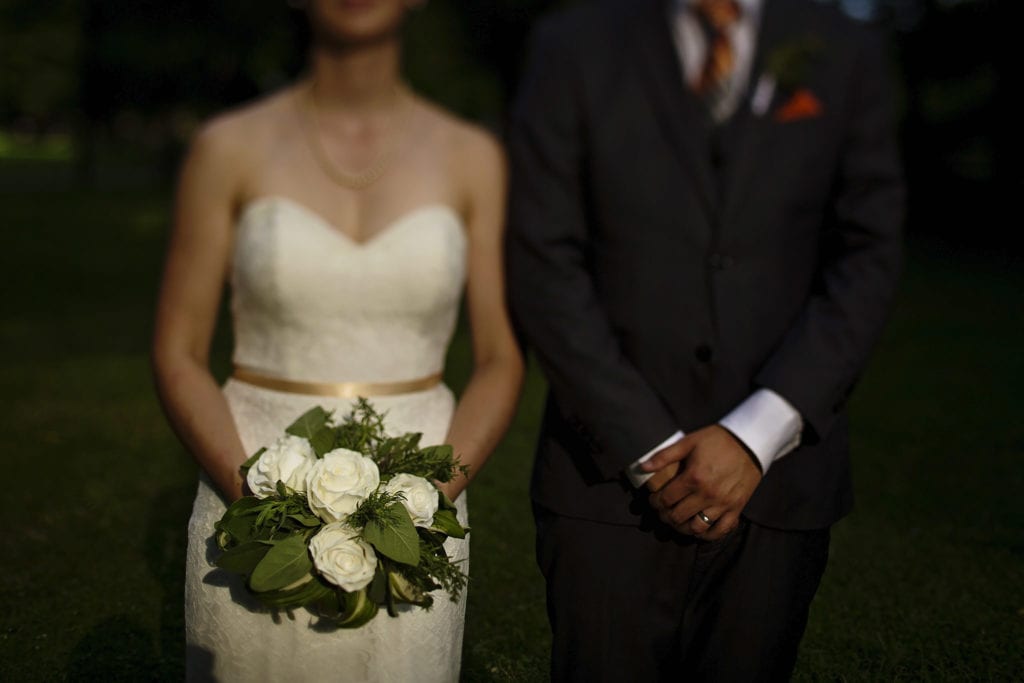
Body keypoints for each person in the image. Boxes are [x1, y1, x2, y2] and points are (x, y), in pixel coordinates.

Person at [506, 0, 903, 680]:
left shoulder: (845, 48)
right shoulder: (573, 44)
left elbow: (868, 254)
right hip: (603, 481)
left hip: (780, 486)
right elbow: (541, 256)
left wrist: (757, 433)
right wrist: (648, 447)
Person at [151, 1, 523, 680]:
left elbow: (499, 358)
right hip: (251, 479)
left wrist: (425, 506)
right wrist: (256, 503)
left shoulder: (472, 157)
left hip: (420, 502)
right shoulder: (227, 147)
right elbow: (178, 348)